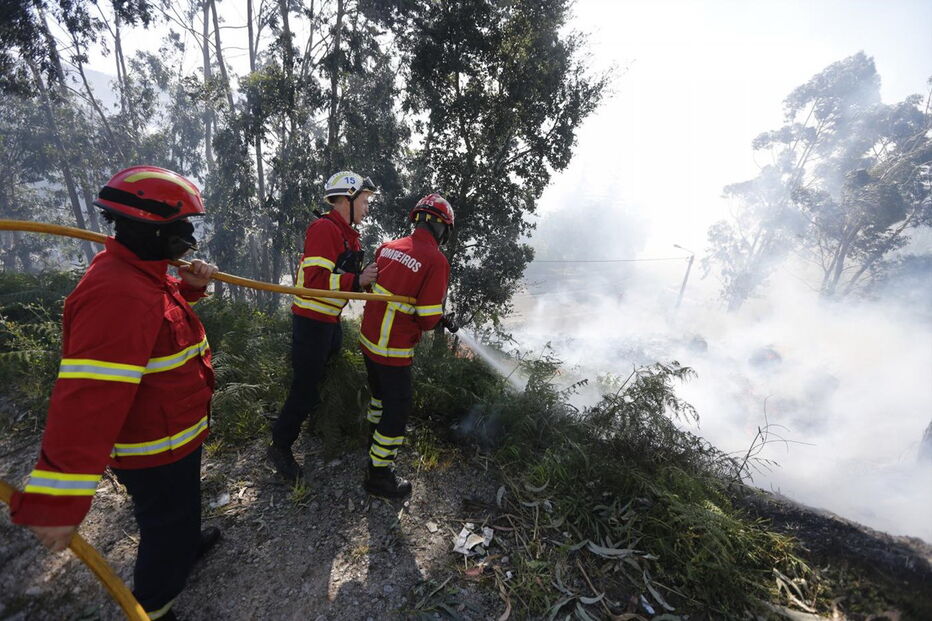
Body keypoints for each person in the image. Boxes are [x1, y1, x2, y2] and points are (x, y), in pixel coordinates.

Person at [9, 166, 221, 621]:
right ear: (150, 228)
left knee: (181, 512)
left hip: (175, 436)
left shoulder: (140, 270)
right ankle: (157, 606)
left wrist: (192, 288)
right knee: (163, 527)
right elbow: (88, 401)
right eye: (180, 227)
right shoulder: (117, 295)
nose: (188, 237)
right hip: (155, 447)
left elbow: (159, 323)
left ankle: (186, 544)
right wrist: (58, 502)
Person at [268, 170, 379, 483]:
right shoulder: (324, 229)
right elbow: (314, 282)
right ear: (346, 199)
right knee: (304, 388)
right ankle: (280, 446)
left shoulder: (348, 234)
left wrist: (364, 282)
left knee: (322, 377)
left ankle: (318, 423)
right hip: (311, 323)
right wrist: (357, 279)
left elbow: (343, 283)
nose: (368, 207)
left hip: (329, 322)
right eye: (365, 200)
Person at [358, 193, 454, 498]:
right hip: (393, 348)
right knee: (397, 409)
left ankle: (373, 440)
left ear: (416, 220)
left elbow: (380, 289)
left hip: (369, 340)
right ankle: (379, 475)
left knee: (378, 397)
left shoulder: (388, 247)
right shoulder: (435, 260)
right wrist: (439, 317)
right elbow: (426, 318)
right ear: (442, 228)